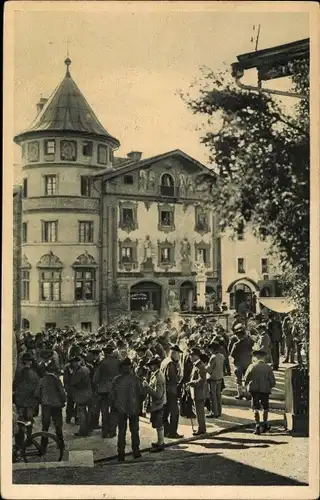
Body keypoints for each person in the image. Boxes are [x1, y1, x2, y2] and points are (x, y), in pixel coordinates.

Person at [111, 357, 144, 462]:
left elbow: (112, 396)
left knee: (121, 431)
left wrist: (115, 406)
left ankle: (121, 453)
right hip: (133, 409)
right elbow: (142, 394)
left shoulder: (116, 380)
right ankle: (136, 451)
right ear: (131, 367)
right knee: (134, 431)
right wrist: (139, 405)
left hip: (121, 409)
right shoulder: (136, 379)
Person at [35, 359, 67, 449]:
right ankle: (61, 444)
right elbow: (62, 393)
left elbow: (36, 393)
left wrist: (42, 400)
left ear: (46, 371)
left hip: (46, 406)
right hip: (56, 406)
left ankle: (43, 445)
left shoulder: (42, 380)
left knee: (45, 426)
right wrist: (64, 400)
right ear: (55, 371)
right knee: (58, 425)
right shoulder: (57, 380)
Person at [244, 349, 276, 435]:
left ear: (255, 357)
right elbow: (273, 381)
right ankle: (265, 423)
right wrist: (269, 386)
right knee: (265, 407)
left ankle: (257, 425)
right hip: (265, 390)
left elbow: (246, 378)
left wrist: (246, 387)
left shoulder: (252, 366)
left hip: (254, 390)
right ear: (264, 357)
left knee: (255, 408)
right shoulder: (268, 367)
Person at [93, 344, 121, 438]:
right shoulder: (118, 362)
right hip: (115, 391)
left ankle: (105, 432)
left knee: (105, 412)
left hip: (103, 391)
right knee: (114, 412)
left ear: (104, 353)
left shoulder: (102, 363)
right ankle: (112, 431)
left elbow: (95, 379)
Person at [13, 352, 40, 448]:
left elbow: (15, 386)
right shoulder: (34, 374)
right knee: (29, 422)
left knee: (20, 422)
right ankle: (29, 440)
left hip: (20, 402)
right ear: (31, 362)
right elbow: (37, 389)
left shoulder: (19, 374)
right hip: (30, 403)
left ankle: (19, 444)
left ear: (22, 362)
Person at [143, 356, 167, 452]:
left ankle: (161, 444)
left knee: (159, 424)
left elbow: (158, 394)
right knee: (157, 424)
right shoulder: (155, 374)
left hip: (158, 404)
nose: (149, 367)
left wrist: (147, 387)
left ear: (155, 366)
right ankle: (160, 442)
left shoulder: (158, 377)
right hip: (156, 404)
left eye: (151, 365)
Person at [161, 344, 184, 438]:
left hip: (165, 390)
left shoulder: (165, 361)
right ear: (174, 353)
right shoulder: (171, 363)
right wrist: (179, 381)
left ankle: (165, 431)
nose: (178, 356)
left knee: (165, 412)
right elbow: (172, 378)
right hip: (171, 390)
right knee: (174, 412)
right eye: (178, 354)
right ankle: (172, 432)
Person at [69, 356, 93, 437]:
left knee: (82, 414)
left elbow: (73, 382)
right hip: (88, 393)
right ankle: (88, 429)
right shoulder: (86, 368)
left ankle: (83, 431)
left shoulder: (78, 371)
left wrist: (72, 374)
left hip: (81, 395)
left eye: (72, 362)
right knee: (87, 413)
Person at [230, 324, 254, 400]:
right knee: (248, 379)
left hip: (238, 364)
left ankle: (240, 394)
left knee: (238, 380)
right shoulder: (250, 342)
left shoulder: (236, 344)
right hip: (248, 363)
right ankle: (248, 394)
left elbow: (232, 354)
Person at [188, 347, 207, 435]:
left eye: (192, 355)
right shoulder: (196, 365)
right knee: (198, 412)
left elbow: (202, 380)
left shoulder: (200, 366)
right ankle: (201, 428)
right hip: (196, 392)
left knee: (200, 412)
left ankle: (201, 429)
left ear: (196, 356)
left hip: (199, 392)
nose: (190, 357)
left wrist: (191, 383)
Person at [206, 340, 225, 418]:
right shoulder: (221, 356)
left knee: (212, 396)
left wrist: (205, 366)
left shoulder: (213, 357)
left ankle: (214, 412)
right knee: (218, 395)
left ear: (212, 349)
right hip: (220, 377)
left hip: (213, 378)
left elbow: (209, 369)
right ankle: (219, 411)